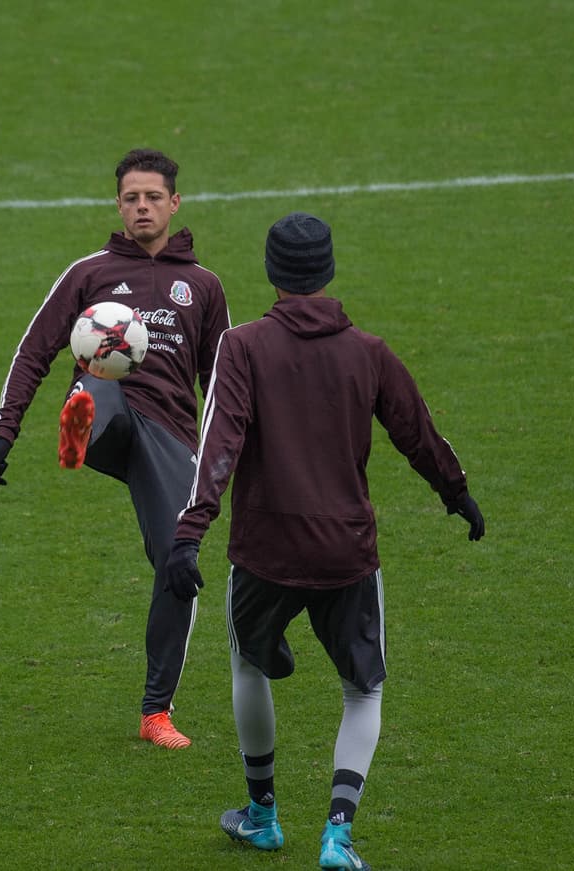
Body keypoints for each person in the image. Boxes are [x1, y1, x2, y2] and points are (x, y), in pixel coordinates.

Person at [164, 212, 485, 868]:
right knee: (363, 690)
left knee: (248, 665)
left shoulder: (243, 347)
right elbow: (418, 431)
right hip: (347, 551)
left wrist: (189, 533)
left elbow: (219, 445)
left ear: (272, 272)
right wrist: (456, 493)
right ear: (329, 270)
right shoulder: (368, 351)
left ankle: (261, 814)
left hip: (265, 550)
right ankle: (338, 832)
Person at [0, 148, 231, 749]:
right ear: (118, 206)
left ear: (174, 203)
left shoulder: (203, 286)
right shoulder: (88, 273)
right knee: (101, 383)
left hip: (169, 436)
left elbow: (222, 383)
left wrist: (225, 461)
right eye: (131, 198)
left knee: (178, 562)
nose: (142, 207)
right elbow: (34, 350)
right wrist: (4, 430)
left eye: (153, 197)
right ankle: (80, 430)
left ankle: (155, 713)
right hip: (108, 409)